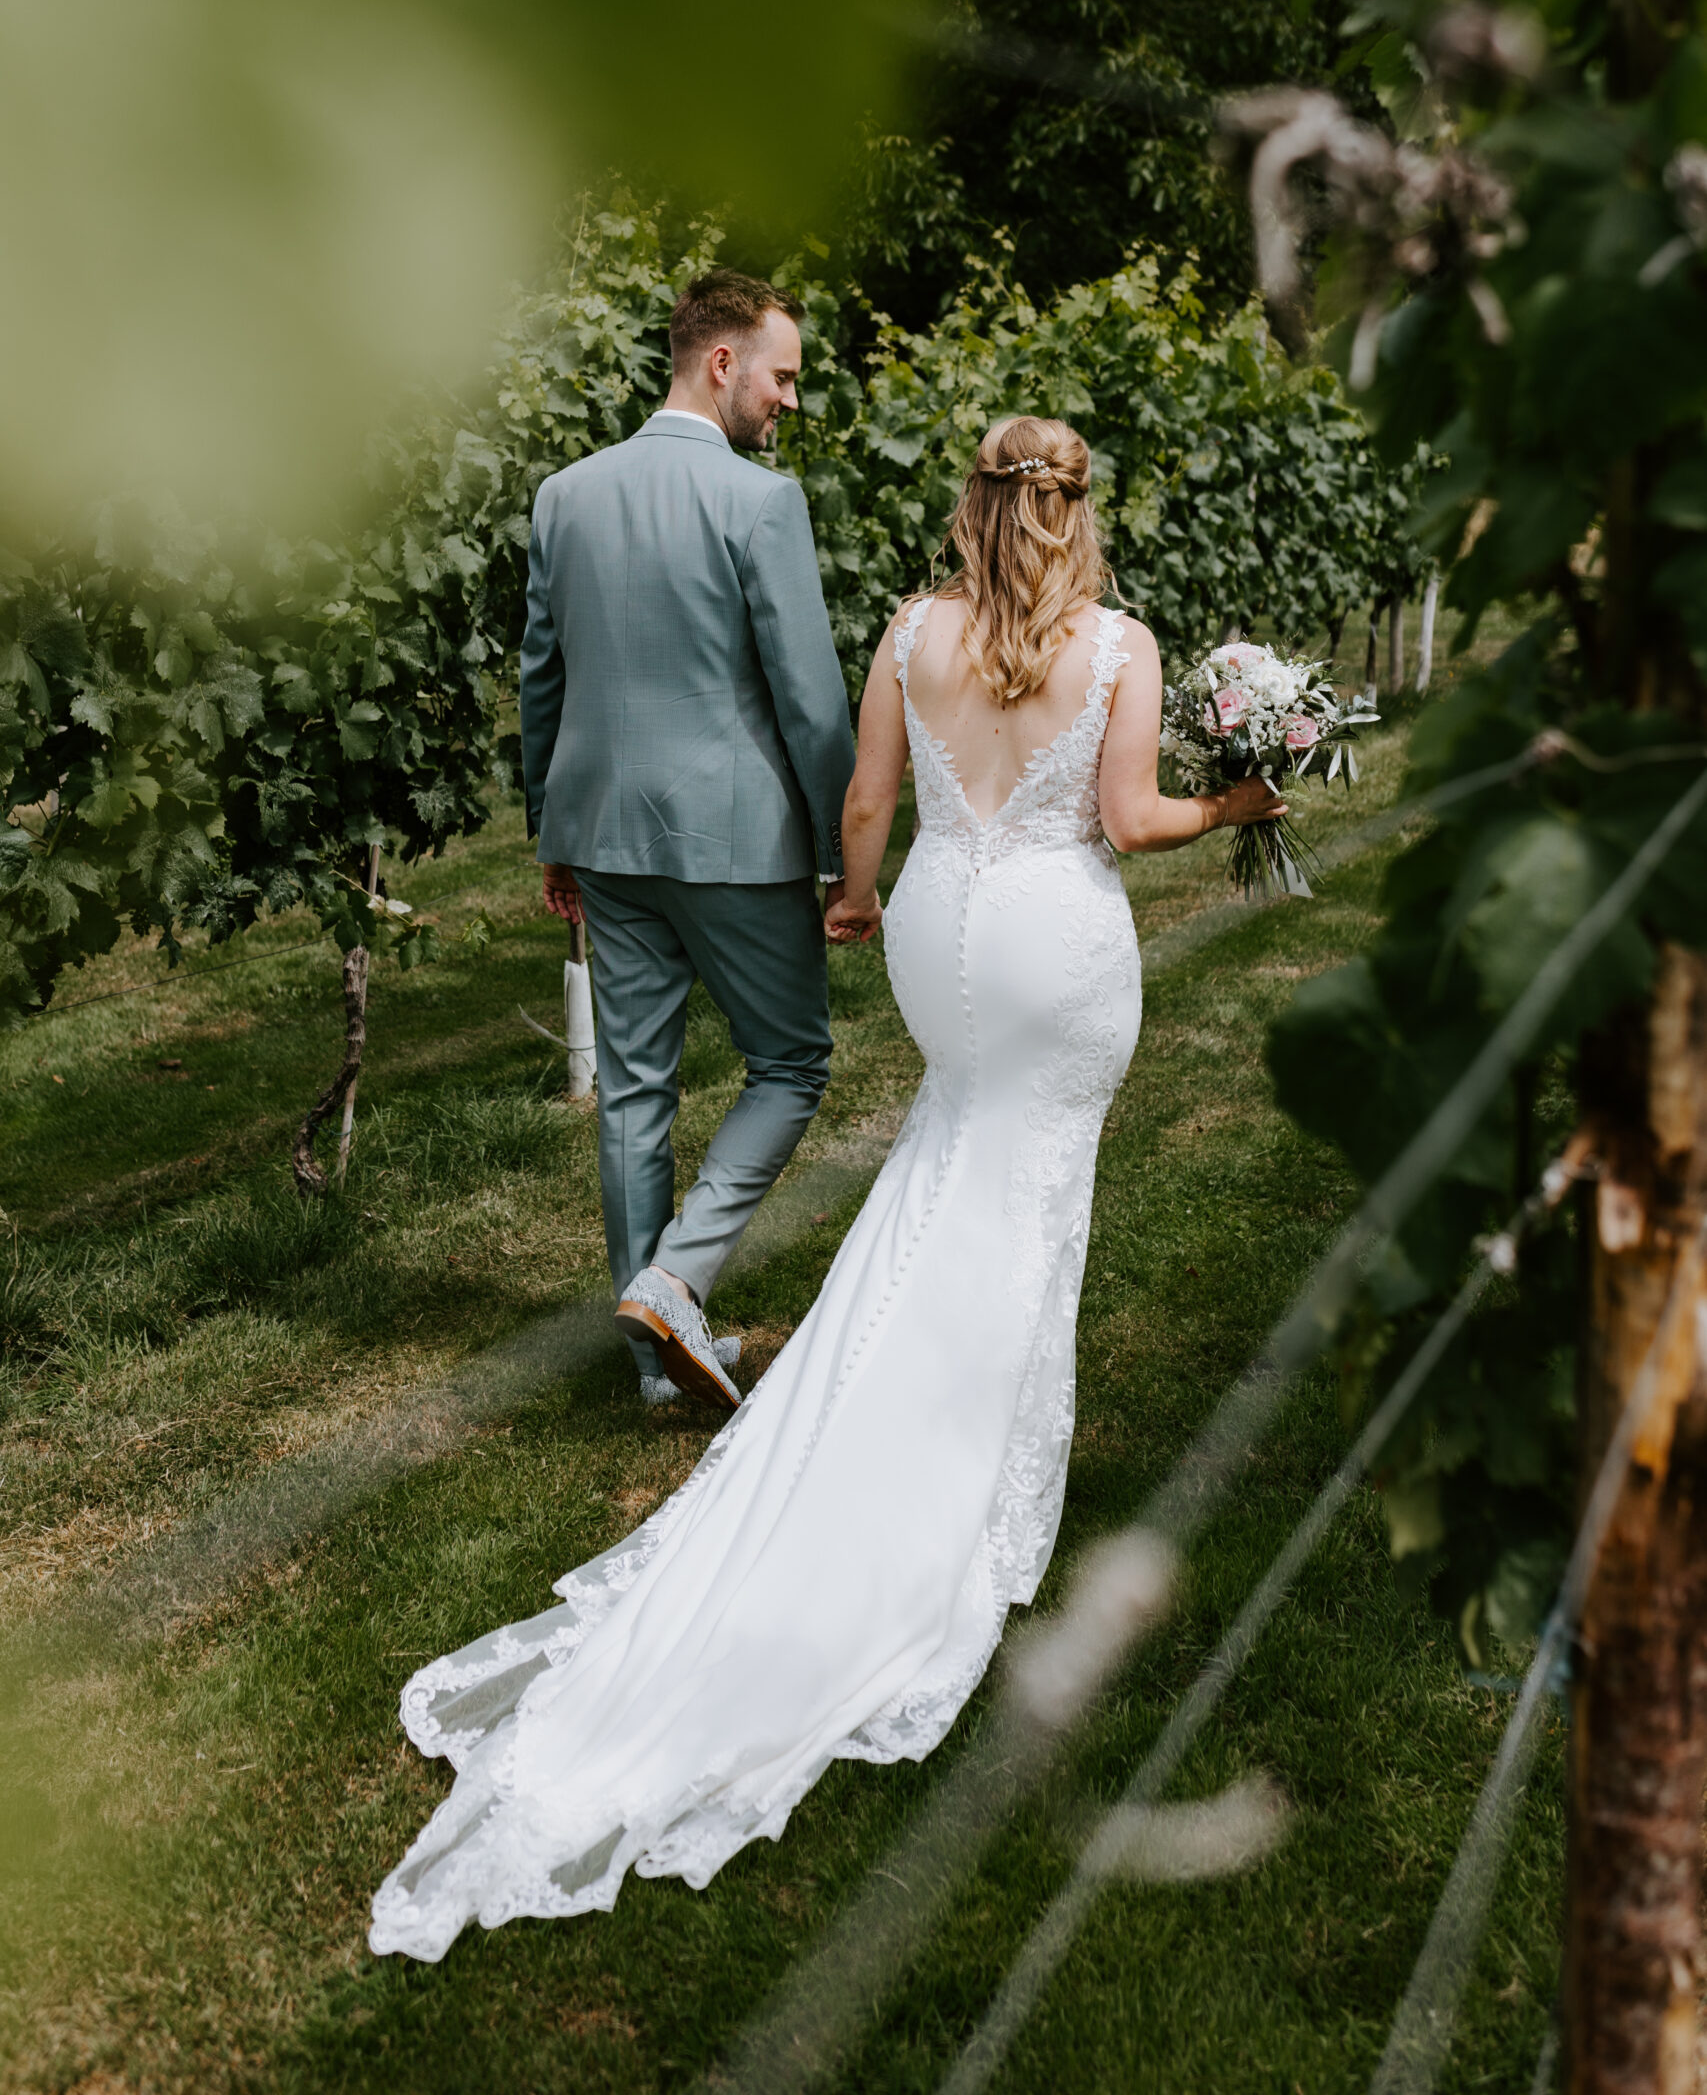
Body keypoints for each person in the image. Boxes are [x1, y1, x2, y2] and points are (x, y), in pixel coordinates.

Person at [369, 413, 1283, 1961]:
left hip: (941, 929)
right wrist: (1239, 809)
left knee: (947, 1163)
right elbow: (1126, 823)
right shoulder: (1116, 643)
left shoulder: (913, 631)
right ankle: (967, 1484)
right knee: (1021, 1192)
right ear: (1074, 511)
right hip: (1058, 946)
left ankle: (892, 1408)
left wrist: (858, 900)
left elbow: (865, 802)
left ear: (973, 505)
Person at [516, 268, 856, 1415]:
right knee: (794, 1060)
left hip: (603, 833)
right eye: (784, 375)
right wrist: (841, 853)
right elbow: (810, 704)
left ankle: (653, 1369)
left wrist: (551, 827)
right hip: (736, 839)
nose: (790, 401)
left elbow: (542, 680)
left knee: (633, 1091)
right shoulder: (760, 502)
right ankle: (678, 1275)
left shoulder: (565, 494)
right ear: (724, 363)